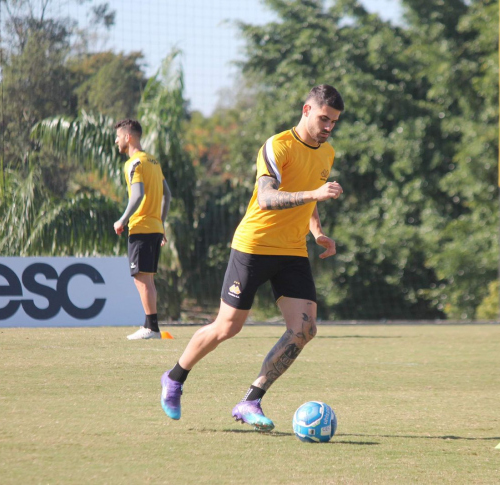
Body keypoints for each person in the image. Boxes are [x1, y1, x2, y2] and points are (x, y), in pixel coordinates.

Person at [160, 84, 345, 430]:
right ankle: (174, 378)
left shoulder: (327, 153)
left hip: (292, 250)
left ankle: (251, 400)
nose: (328, 127)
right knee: (227, 327)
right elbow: (266, 198)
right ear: (306, 110)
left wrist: (317, 232)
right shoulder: (278, 146)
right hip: (254, 245)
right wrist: (315, 193)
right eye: (324, 118)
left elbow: (310, 201)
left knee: (304, 329)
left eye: (334, 122)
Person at [113, 119, 172, 340]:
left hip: (141, 227)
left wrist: (122, 219)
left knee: (141, 278)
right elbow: (168, 195)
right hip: (154, 227)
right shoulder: (153, 162)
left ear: (128, 137)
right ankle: (150, 325)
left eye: (118, 136)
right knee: (145, 278)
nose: (116, 140)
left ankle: (152, 328)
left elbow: (137, 195)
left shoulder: (134, 163)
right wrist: (161, 223)